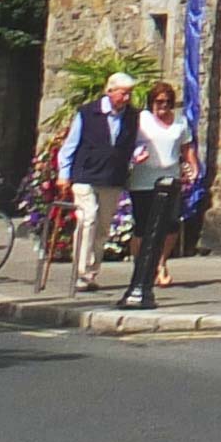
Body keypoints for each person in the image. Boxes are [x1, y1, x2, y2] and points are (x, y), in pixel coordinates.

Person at [57, 73, 143, 294]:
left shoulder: (132, 116)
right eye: (123, 93)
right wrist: (64, 174)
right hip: (85, 175)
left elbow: (133, 143)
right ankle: (81, 272)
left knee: (103, 227)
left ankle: (92, 272)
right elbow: (70, 145)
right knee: (88, 219)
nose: (126, 98)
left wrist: (137, 154)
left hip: (112, 177)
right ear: (110, 91)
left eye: (129, 94)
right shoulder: (88, 113)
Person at [121, 82, 193, 310]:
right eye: (159, 102)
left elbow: (187, 147)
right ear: (151, 102)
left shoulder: (180, 121)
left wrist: (193, 165)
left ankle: (160, 263)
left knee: (171, 225)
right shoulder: (142, 120)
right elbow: (126, 144)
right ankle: (141, 267)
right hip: (143, 180)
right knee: (142, 226)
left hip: (170, 179)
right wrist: (134, 156)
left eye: (168, 102)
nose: (163, 107)